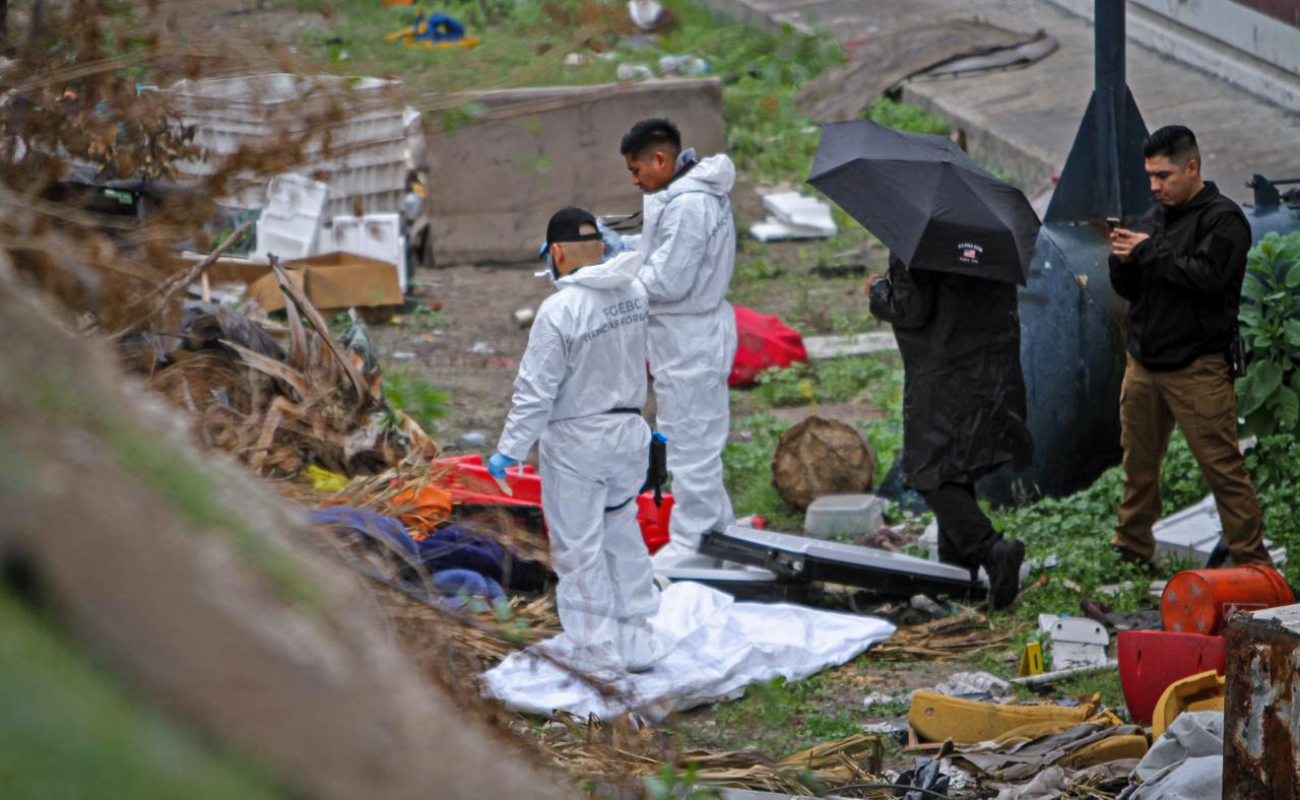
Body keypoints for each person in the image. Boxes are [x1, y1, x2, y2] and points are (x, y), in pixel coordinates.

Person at [486, 207, 663, 671]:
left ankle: (595, 654)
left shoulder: (559, 310)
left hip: (577, 443)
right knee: (622, 533)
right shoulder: (634, 293)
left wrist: (510, 449)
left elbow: (535, 392)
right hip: (630, 435)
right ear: (603, 249)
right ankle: (637, 641)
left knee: (579, 549)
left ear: (557, 253)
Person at [1108, 125, 1272, 568]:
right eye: (1150, 176)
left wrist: (1148, 253)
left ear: (1192, 167)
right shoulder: (1155, 217)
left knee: (1223, 469)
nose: (1155, 186)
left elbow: (1207, 278)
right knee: (1138, 465)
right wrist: (1122, 261)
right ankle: (1131, 547)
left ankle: (1253, 563)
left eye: (1163, 176)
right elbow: (1135, 287)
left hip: (1197, 367)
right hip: (1143, 362)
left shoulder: (1224, 219)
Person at [868, 257, 1032, 609]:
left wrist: (878, 291)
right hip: (986, 369)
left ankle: (991, 549)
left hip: (941, 374)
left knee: (927, 473)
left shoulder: (920, 245)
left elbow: (911, 310)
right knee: (955, 468)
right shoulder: (985, 238)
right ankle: (958, 577)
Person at [619, 117, 738, 569]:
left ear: (661, 159)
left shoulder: (690, 204)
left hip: (689, 337)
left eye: (637, 169)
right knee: (701, 438)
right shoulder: (693, 194)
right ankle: (719, 532)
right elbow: (665, 249)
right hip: (694, 333)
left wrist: (615, 278)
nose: (635, 181)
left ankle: (695, 543)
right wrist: (624, 249)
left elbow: (668, 279)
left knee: (689, 445)